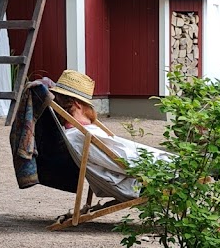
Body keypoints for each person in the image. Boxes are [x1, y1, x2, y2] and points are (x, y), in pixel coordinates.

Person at [50, 69, 172, 198]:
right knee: (191, 173)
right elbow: (126, 162)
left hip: (133, 177)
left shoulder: (81, 132)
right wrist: (174, 166)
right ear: (78, 104)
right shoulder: (82, 135)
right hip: (137, 183)